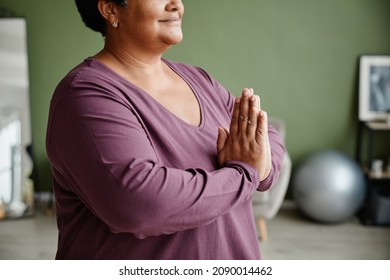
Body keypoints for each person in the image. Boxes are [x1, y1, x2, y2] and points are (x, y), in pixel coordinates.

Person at [46, 0, 286, 260]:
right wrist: (245, 174)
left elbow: (267, 136)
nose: (176, 5)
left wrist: (259, 169)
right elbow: (141, 204)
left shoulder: (199, 80)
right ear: (110, 9)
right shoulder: (84, 95)